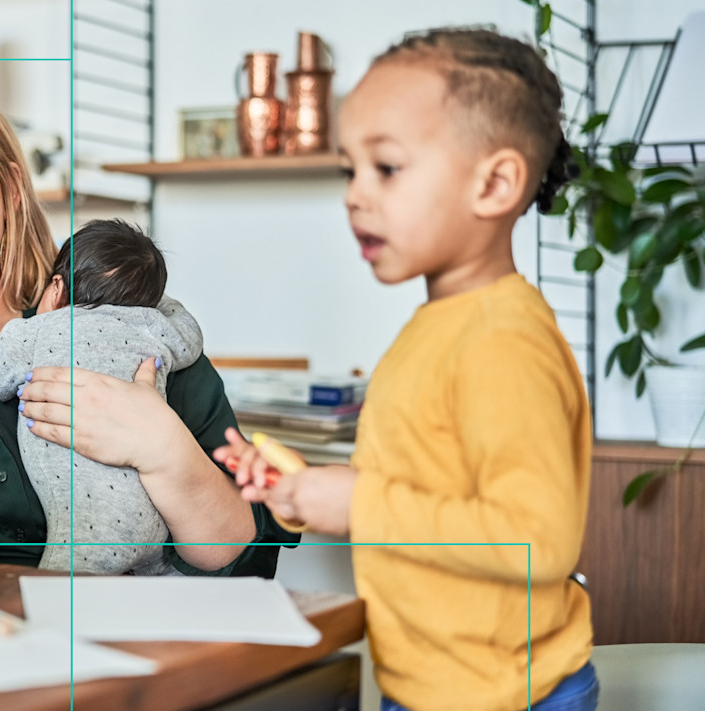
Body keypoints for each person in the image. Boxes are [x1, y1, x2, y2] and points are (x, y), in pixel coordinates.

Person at [215, 28, 598, 711]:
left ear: (495, 183)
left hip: (507, 694)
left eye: (387, 168)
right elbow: (421, 489)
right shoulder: (441, 326)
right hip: (429, 685)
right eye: (350, 170)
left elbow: (535, 540)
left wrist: (357, 503)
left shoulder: (503, 342)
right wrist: (301, 487)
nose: (355, 195)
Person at [0, 79, 297, 577]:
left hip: (111, 627)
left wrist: (165, 451)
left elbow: (246, 568)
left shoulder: (130, 318)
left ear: (11, 187)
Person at [0, 219, 203, 576]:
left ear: (56, 287)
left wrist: (19, 329)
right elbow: (191, 335)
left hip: (89, 521)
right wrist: (147, 297)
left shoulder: (39, 329)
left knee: (58, 595)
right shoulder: (153, 327)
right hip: (158, 517)